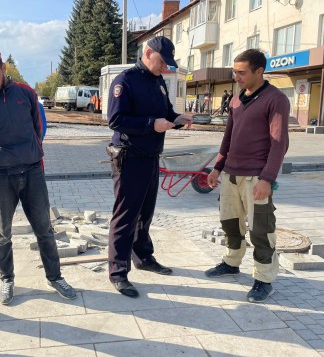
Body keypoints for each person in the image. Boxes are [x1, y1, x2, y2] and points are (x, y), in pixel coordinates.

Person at [0, 43, 76, 305]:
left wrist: (30, 154)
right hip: (0, 177)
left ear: (2, 68)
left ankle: (55, 276)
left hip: (32, 172)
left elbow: (39, 130)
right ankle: (6, 279)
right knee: (2, 234)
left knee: (45, 230)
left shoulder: (26, 94)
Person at [106, 36, 192, 298]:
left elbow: (164, 112)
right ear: (148, 53)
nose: (164, 67)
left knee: (145, 212)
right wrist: (149, 125)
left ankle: (143, 257)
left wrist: (177, 119)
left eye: (167, 64)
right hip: (129, 158)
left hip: (151, 156)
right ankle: (118, 272)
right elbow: (116, 120)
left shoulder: (158, 82)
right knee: (126, 215)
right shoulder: (125, 81)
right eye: (162, 61)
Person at [205, 49, 290, 303]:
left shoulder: (276, 100)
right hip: (230, 174)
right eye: (235, 71)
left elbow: (279, 143)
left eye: (242, 72)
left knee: (261, 230)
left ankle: (264, 280)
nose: (236, 76)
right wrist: (217, 167)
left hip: (256, 178)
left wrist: (267, 178)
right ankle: (231, 263)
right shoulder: (236, 100)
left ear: (259, 71)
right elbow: (228, 138)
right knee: (230, 223)